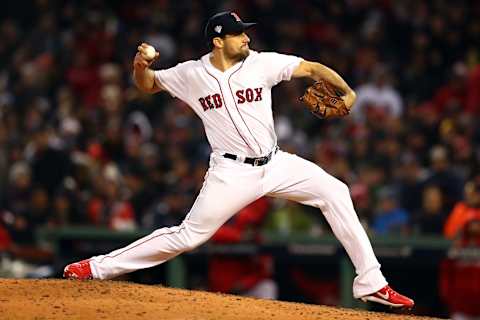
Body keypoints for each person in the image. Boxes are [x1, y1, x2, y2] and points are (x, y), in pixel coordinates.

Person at [64, 11, 414, 308]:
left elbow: (310, 68)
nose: (245, 38)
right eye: (237, 34)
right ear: (218, 41)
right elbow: (149, 84)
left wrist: (349, 92)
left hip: (276, 164)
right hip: (230, 172)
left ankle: (371, 282)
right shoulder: (192, 74)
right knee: (187, 236)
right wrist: (140, 66)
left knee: (336, 192)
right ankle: (96, 268)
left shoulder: (261, 63)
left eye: (245, 32)